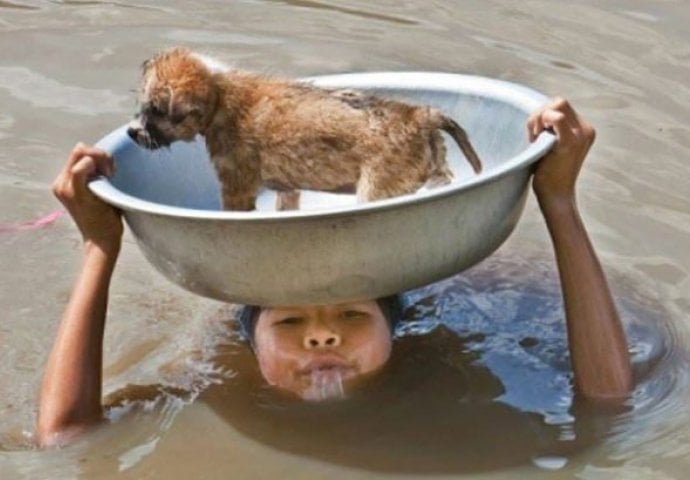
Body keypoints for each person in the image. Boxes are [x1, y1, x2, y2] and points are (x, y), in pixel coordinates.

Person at [37, 98, 633, 448]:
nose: (322, 336)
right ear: (250, 341)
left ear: (397, 326)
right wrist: (99, 249)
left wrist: (559, 202)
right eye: (290, 320)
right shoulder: (216, 383)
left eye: (352, 314)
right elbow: (64, 437)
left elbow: (609, 403)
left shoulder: (449, 361)